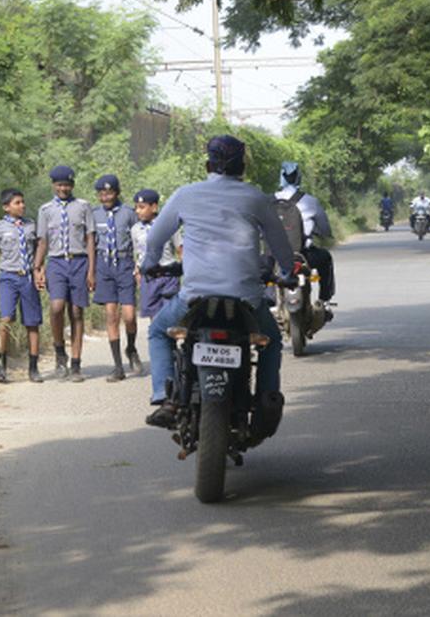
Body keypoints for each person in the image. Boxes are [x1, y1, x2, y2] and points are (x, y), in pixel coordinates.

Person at [142, 135, 295, 428]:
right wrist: (286, 275)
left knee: (159, 332)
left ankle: (166, 396)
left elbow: (155, 239)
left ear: (208, 164)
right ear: (242, 167)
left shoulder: (186, 194)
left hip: (195, 296)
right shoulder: (256, 198)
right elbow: (280, 246)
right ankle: (265, 399)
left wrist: (150, 265)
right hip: (246, 299)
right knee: (271, 341)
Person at [33, 165, 96, 382]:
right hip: (57, 263)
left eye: (67, 185)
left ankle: (76, 363)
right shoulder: (45, 210)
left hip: (79, 262)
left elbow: (90, 239)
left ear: (73, 185)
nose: (63, 188)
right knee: (56, 307)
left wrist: (91, 270)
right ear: (53, 185)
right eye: (60, 184)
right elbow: (42, 241)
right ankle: (60, 352)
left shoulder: (83, 207)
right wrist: (37, 267)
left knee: (77, 311)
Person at [0, 189, 44, 384]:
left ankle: (33, 368)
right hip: (8, 278)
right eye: (17, 203)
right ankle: (1, 365)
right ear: (6, 207)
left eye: (23, 202)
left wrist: (39, 272)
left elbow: (38, 253)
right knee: (5, 319)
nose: (22, 206)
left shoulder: (31, 226)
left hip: (27, 278)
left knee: (32, 323)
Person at [92, 174, 140, 382]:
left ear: (117, 193)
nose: (106, 197)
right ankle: (118, 366)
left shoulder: (129, 213)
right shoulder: (94, 215)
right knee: (111, 315)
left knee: (129, 315)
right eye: (102, 193)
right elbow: (91, 244)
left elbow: (139, 239)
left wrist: (140, 266)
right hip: (104, 265)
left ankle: (131, 347)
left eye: (109, 193)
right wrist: (91, 272)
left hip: (124, 263)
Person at [275, 161, 336, 302]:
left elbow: (260, 227)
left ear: (281, 178)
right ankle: (324, 300)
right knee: (325, 258)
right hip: (303, 255)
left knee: (262, 272)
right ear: (299, 178)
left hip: (276, 256)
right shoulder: (311, 201)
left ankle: (267, 304)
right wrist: (324, 234)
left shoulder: (269, 200)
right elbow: (325, 228)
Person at [131, 188, 181, 323]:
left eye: (142, 207)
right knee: (155, 319)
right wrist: (138, 273)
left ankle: (170, 343)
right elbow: (139, 254)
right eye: (136, 207)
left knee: (170, 316)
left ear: (154, 207)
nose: (138, 211)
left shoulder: (168, 225)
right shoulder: (135, 229)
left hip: (168, 277)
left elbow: (180, 249)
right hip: (149, 279)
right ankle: (158, 341)